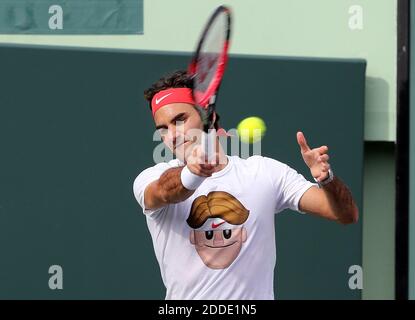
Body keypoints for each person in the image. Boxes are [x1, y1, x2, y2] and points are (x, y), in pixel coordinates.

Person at [133, 70, 359, 300]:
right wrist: (192, 172)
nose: (171, 136)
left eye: (179, 120)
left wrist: (326, 179)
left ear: (208, 118)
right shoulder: (151, 178)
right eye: (162, 129)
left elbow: (345, 214)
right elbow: (163, 190)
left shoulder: (265, 172)